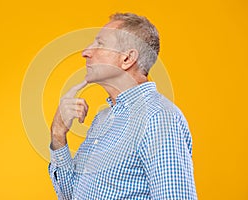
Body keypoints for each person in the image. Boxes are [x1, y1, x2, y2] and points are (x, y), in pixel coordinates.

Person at [48, 12, 197, 199]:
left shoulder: (159, 118)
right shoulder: (102, 120)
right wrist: (58, 134)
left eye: (100, 44)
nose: (85, 52)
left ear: (127, 58)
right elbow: (71, 195)